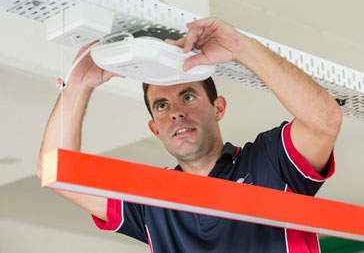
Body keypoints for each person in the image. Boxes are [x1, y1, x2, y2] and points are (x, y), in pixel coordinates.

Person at [37, 17, 342, 253]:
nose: (176, 113)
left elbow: (325, 120)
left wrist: (242, 49)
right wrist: (78, 85)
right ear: (155, 129)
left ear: (218, 108)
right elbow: (55, 171)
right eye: (162, 105)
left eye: (188, 97)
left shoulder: (269, 161)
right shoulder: (150, 198)